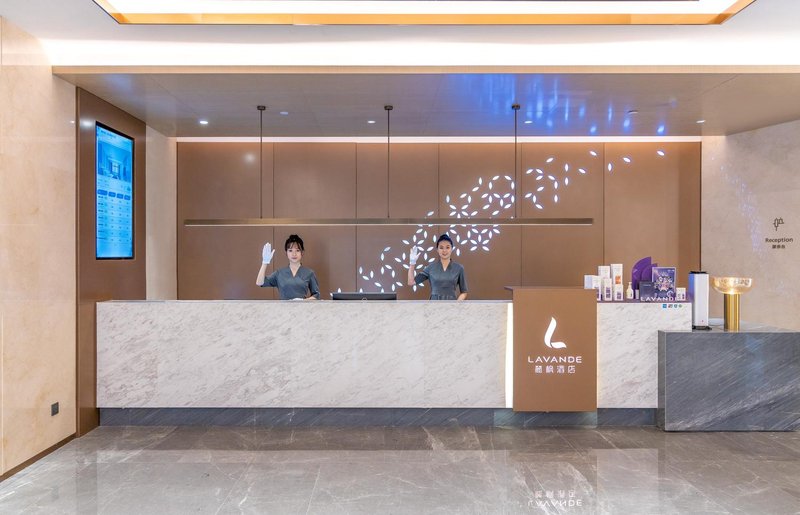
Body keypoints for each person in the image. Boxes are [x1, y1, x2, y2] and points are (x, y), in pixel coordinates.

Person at [256, 234, 320, 300]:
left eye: (297, 250)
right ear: (286, 253)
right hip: (283, 306)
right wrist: (265, 262)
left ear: (302, 252)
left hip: (302, 306)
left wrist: (303, 301)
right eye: (290, 250)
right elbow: (259, 282)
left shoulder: (309, 273)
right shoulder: (279, 273)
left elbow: (316, 295)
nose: (294, 254)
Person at [407, 233, 468, 300]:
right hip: (434, 304)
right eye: (441, 248)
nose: (444, 250)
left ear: (451, 249)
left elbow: (464, 292)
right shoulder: (431, 267)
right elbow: (411, 282)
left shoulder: (459, 268)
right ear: (437, 250)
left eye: (447, 247)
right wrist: (412, 263)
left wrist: (456, 304)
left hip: (451, 304)